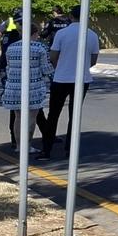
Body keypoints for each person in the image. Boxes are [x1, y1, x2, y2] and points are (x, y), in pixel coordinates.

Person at [41, 8, 100, 159]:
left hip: (61, 78)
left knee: (53, 114)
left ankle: (46, 150)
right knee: (74, 115)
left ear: (71, 17)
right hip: (82, 79)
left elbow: (53, 56)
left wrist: (60, 67)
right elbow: (93, 60)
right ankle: (70, 149)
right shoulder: (92, 35)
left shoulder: (62, 34)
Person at [0, 24, 52, 154]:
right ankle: (27, 145)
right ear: (35, 33)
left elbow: (8, 65)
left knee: (18, 117)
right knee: (31, 117)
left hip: (14, 86)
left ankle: (18, 145)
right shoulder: (40, 47)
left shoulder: (12, 47)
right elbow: (46, 69)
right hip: (33, 86)